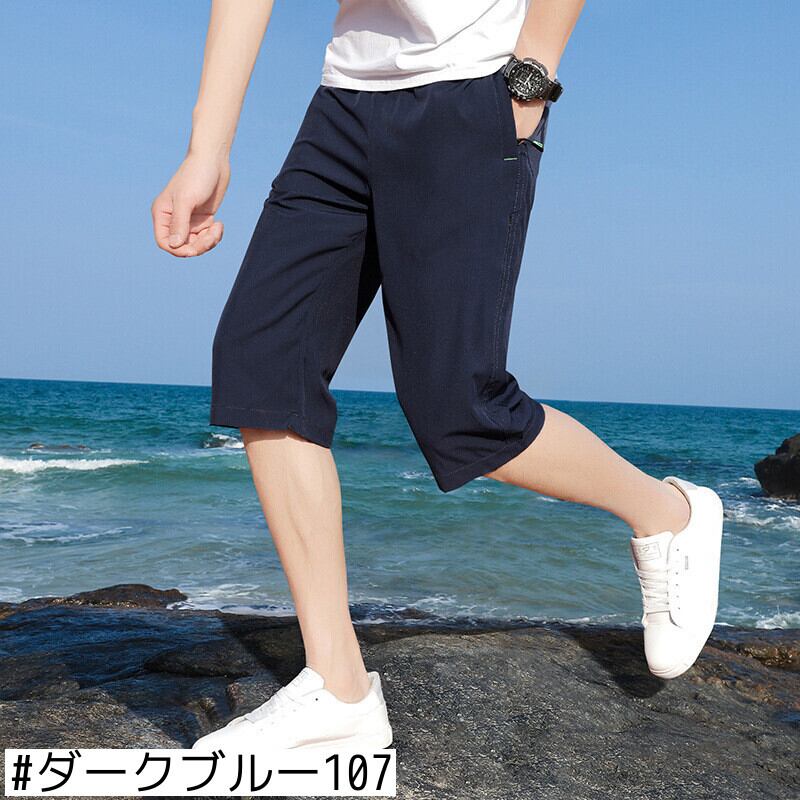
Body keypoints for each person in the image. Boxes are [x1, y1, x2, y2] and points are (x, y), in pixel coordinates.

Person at [152, 0, 723, 753]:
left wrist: (530, 78)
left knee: (459, 404)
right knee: (262, 361)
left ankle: (669, 515)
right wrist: (207, 148)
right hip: (343, 102)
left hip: (473, 89)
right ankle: (338, 688)